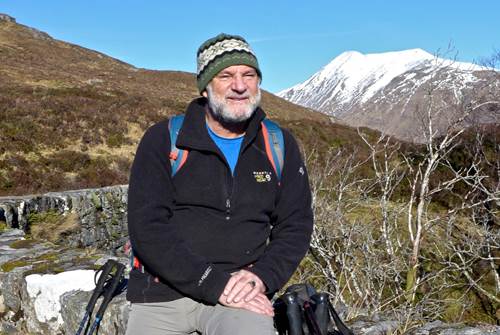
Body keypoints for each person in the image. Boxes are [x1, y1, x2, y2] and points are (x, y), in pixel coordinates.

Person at [125, 33, 313, 335]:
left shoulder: (278, 144)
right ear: (205, 87)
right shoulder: (163, 140)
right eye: (226, 76)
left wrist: (262, 278)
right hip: (162, 293)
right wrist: (213, 283)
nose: (239, 86)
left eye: (248, 75)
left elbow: (296, 224)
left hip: (240, 295)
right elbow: (147, 227)